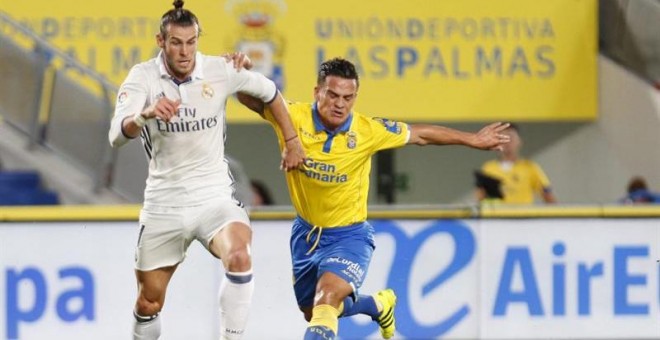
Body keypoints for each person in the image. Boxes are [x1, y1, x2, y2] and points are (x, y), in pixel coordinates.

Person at [233, 57, 510, 340]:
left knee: (326, 301)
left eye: (348, 97)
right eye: (333, 95)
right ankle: (378, 305)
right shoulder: (291, 118)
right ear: (317, 92)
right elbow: (249, 98)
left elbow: (421, 135)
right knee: (311, 310)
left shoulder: (367, 131)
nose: (340, 104)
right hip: (306, 234)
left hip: (349, 236)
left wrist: (472, 139)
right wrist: (237, 73)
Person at [107, 2, 305, 339]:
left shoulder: (220, 70)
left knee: (240, 257)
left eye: (191, 42)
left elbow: (271, 93)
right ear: (161, 41)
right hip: (164, 204)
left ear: (198, 39)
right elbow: (116, 136)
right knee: (149, 302)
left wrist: (291, 139)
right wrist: (146, 114)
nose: (185, 52)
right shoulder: (143, 77)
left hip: (214, 197)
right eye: (176, 43)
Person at [475, 123, 557, 204]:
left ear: (519, 141)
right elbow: (480, 197)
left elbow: (547, 195)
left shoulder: (529, 167)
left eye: (511, 138)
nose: (507, 142)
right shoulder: (488, 168)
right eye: (503, 138)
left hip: (523, 216)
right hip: (498, 216)